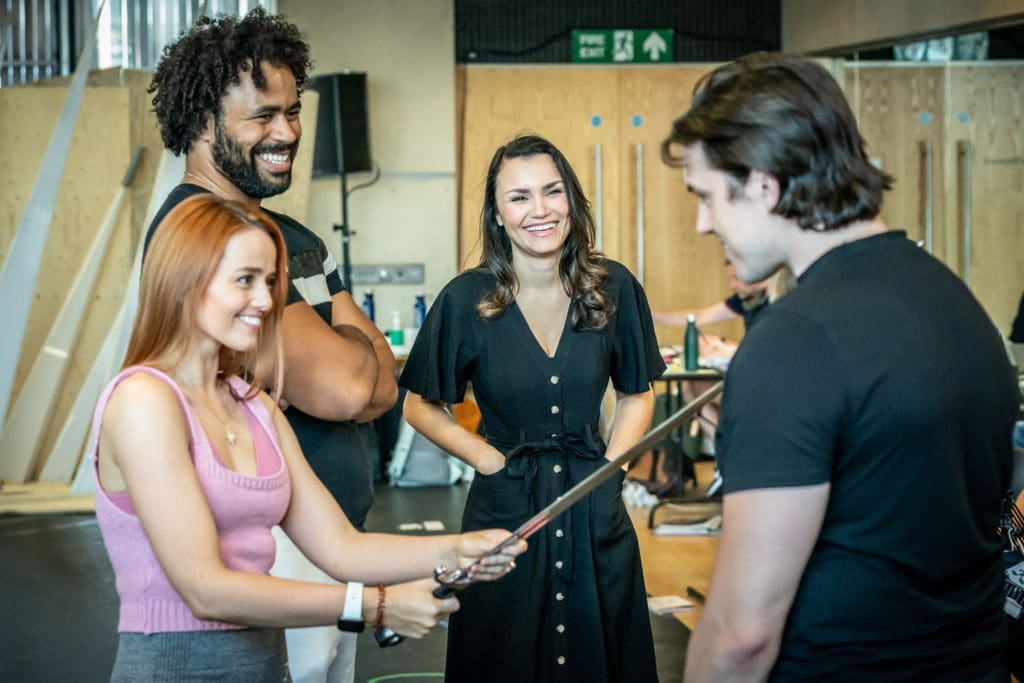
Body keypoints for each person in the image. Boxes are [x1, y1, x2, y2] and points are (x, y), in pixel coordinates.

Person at [661, 53, 1018, 682]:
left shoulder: (792, 342)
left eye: (708, 198)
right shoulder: (958, 305)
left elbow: (741, 636)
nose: (700, 223)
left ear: (765, 187)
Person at [91, 194, 525, 682]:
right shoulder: (144, 401)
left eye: (271, 282)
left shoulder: (252, 403)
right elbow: (205, 590)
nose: (265, 300)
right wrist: (375, 604)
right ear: (185, 282)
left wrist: (457, 549)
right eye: (245, 281)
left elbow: (341, 547)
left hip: (261, 666)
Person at [144, 10, 395, 682]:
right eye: (262, 115)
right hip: (275, 553)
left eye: (293, 110)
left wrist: (350, 356)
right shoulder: (201, 233)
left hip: (335, 542)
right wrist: (352, 340)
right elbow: (347, 387)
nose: (286, 131)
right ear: (202, 121)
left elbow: (383, 383)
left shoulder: (290, 234)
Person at [401, 134, 664, 682]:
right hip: (504, 509)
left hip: (592, 504)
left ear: (572, 199)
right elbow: (421, 407)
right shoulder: (464, 300)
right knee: (505, 656)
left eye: (552, 191)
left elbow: (638, 393)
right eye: (519, 197)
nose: (539, 210)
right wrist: (492, 462)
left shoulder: (614, 287)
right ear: (497, 215)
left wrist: (611, 471)